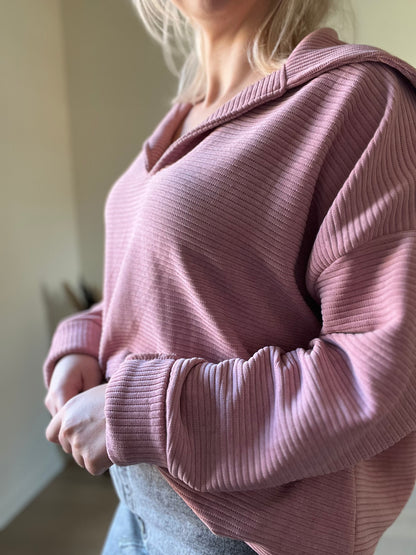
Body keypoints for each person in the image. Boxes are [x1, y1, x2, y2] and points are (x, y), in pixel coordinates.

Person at [42, 0, 416, 553]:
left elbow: (383, 373)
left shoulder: (360, 98)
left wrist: (147, 412)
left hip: (242, 535)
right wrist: (84, 343)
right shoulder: (184, 116)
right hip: (135, 507)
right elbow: (161, 289)